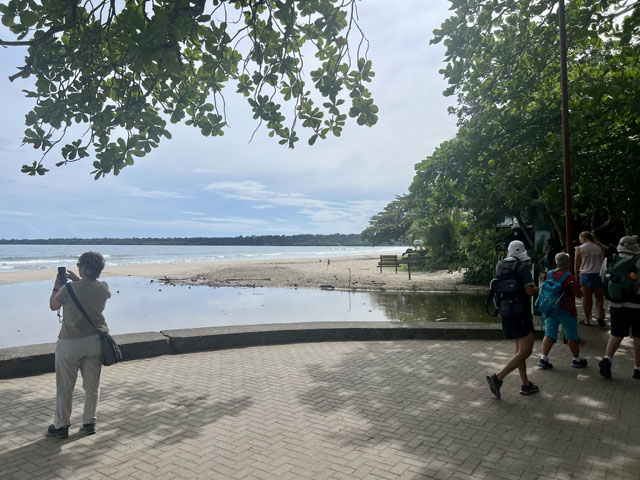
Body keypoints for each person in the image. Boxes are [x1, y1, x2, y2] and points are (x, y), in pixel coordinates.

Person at [47, 252, 111, 439]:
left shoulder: (68, 289)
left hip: (70, 343)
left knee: (65, 386)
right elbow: (92, 289)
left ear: (82, 268)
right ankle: (89, 422)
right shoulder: (103, 288)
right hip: (95, 342)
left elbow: (53, 305)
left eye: (78, 265)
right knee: (92, 386)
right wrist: (79, 279)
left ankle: (62, 426)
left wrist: (56, 285)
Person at [486, 240, 540, 398]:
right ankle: (498, 378)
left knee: (519, 351)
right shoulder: (522, 267)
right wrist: (539, 288)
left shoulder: (500, 265)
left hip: (506, 311)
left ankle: (526, 384)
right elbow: (529, 291)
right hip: (521, 313)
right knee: (526, 351)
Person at [598, 236, 640, 380]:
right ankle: (638, 369)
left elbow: (603, 278)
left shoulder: (609, 259)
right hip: (637, 304)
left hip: (616, 303)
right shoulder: (638, 260)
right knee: (638, 336)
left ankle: (607, 359)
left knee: (616, 333)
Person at [537, 253, 587, 370]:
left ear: (556, 262)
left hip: (550, 309)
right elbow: (579, 295)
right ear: (568, 263)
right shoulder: (569, 277)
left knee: (549, 334)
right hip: (567, 311)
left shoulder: (548, 274)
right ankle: (576, 360)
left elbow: (541, 288)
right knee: (571, 335)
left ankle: (544, 358)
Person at [574, 231, 606, 327]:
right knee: (599, 297)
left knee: (587, 298)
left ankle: (587, 319)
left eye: (580, 239)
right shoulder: (600, 247)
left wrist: (576, 275)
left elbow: (577, 264)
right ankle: (600, 315)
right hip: (599, 274)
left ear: (583, 238)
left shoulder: (580, 249)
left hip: (586, 274)